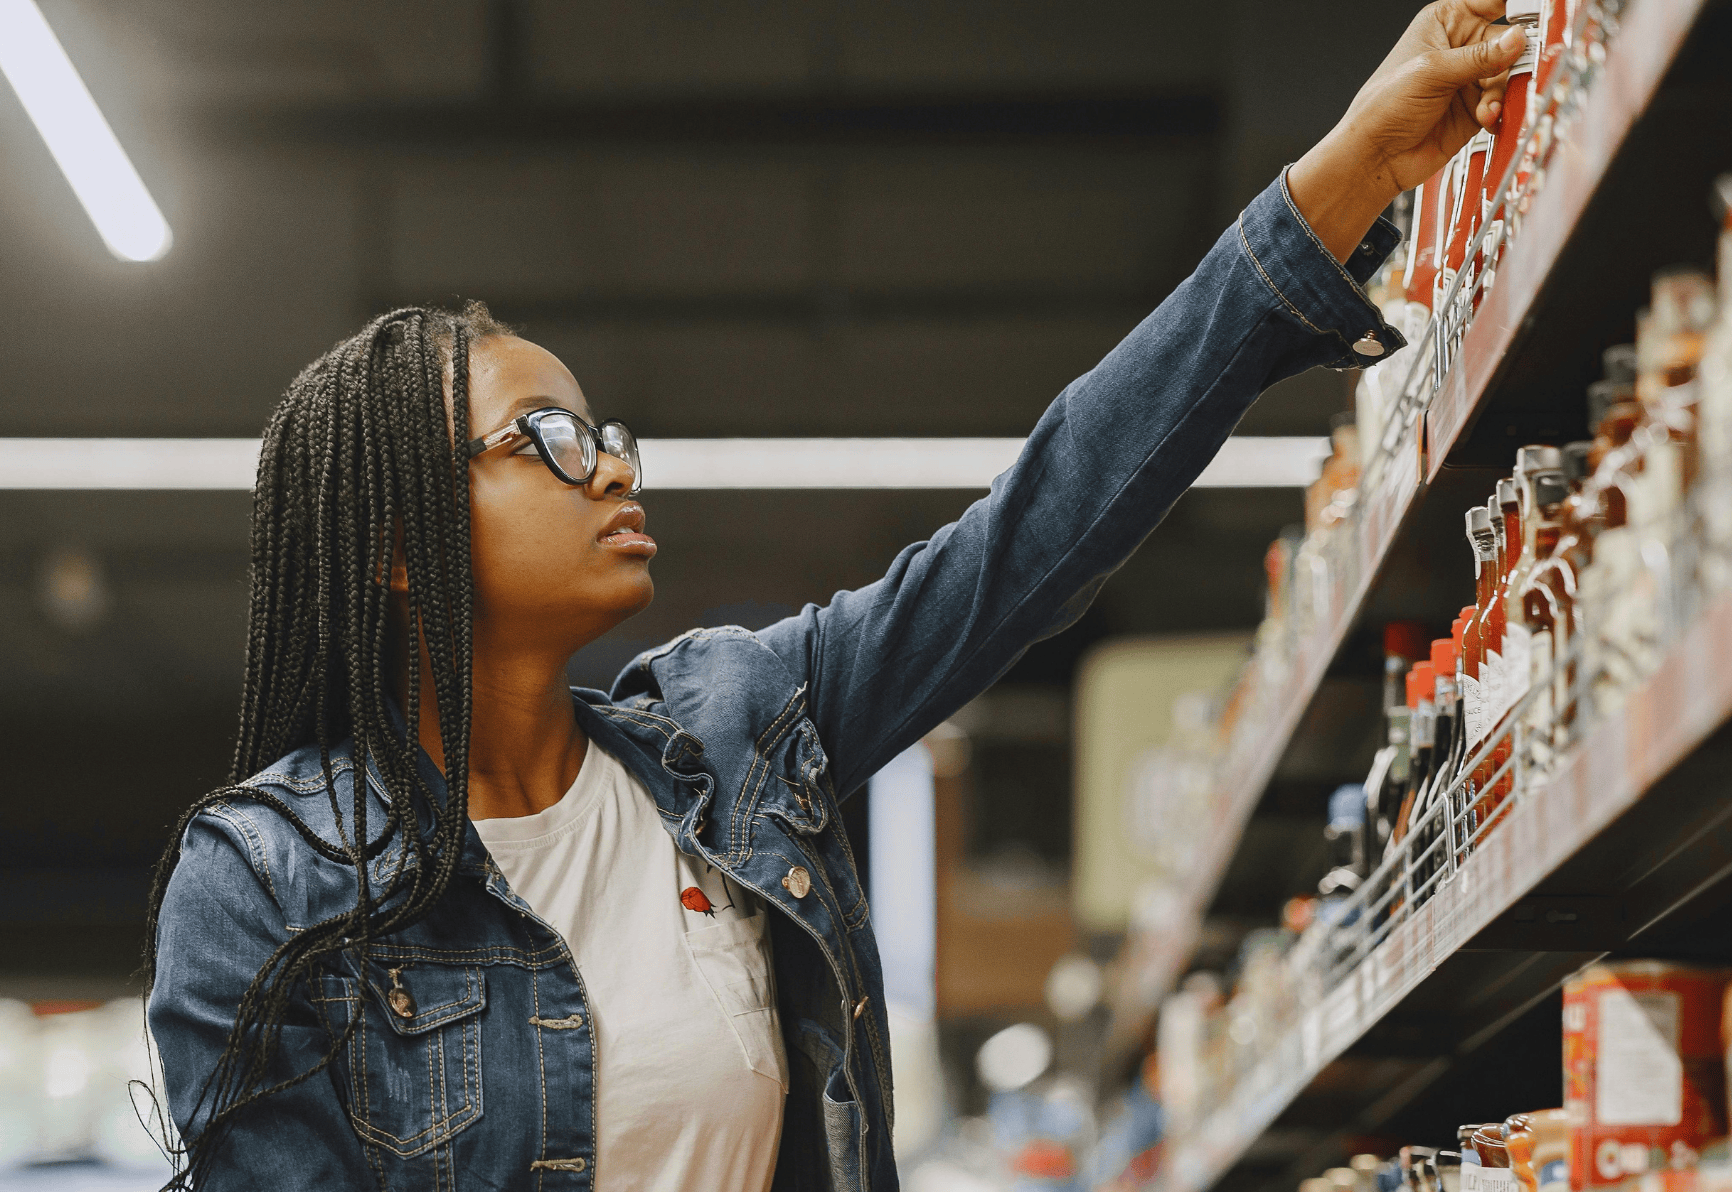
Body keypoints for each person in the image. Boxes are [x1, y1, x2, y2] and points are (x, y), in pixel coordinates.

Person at [144, 4, 1525, 1189]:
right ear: (397, 542)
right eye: (547, 440)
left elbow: (1034, 532)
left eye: (606, 431)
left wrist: (1348, 173)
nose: (610, 465)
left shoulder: (729, 739)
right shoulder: (269, 883)